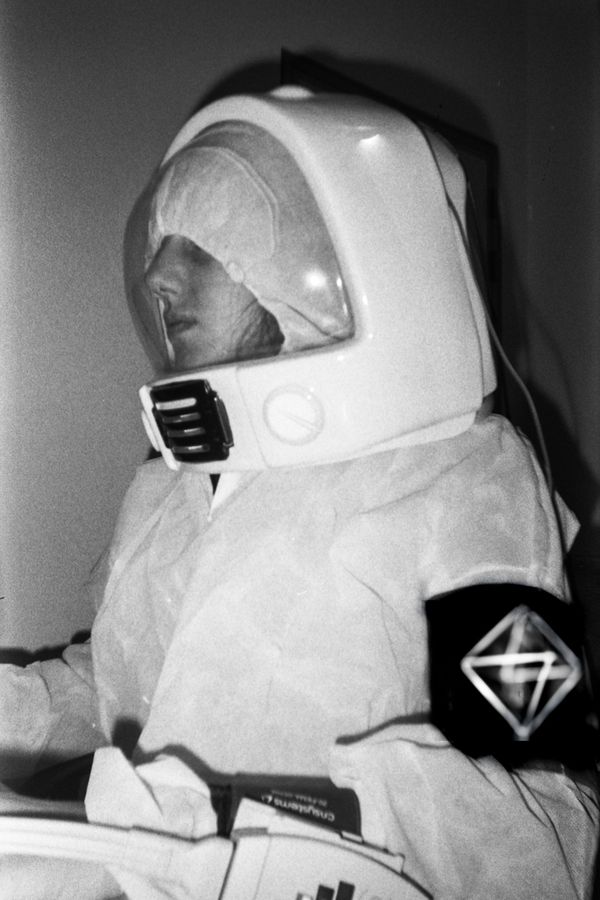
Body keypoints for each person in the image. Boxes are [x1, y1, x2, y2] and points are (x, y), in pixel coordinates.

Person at [0, 86, 597, 899]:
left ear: (325, 264)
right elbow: (117, 687)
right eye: (162, 245)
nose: (159, 274)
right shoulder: (168, 487)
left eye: (205, 245)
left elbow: (549, 822)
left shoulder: (467, 477)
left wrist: (288, 817)